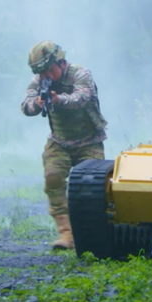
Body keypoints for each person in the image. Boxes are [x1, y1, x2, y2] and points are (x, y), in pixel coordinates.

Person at [21, 41, 108, 250]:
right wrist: (38, 104)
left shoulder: (80, 74)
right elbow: (25, 105)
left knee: (91, 190)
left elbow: (81, 98)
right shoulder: (40, 81)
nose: (46, 76)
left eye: (50, 70)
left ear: (60, 62)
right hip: (59, 141)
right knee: (53, 177)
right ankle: (67, 234)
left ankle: (93, 235)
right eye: (42, 72)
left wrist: (58, 99)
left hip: (89, 142)